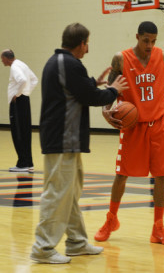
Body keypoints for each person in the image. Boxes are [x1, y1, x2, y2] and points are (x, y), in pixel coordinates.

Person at [30, 22, 129, 264]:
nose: (88, 48)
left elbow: (77, 90)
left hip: (66, 140)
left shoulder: (60, 62)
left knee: (70, 193)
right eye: (87, 43)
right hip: (62, 139)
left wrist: (93, 81)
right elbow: (90, 98)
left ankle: (75, 242)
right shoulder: (70, 64)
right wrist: (114, 90)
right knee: (57, 194)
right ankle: (42, 248)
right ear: (81, 43)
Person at [94, 21, 164, 245]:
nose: (150, 45)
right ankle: (111, 219)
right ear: (137, 37)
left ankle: (158, 229)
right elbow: (110, 87)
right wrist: (106, 108)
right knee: (122, 173)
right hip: (133, 125)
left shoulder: (163, 56)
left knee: (161, 175)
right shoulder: (121, 59)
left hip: (160, 122)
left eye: (153, 41)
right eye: (145, 40)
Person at [1, 49, 38, 173]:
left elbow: (22, 80)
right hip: (25, 101)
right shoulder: (22, 64)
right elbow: (34, 80)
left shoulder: (14, 67)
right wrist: (26, 92)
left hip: (18, 103)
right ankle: (28, 163)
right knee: (25, 132)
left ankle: (22, 164)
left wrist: (17, 94)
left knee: (18, 133)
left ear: (6, 58)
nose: (1, 61)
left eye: (2, 58)